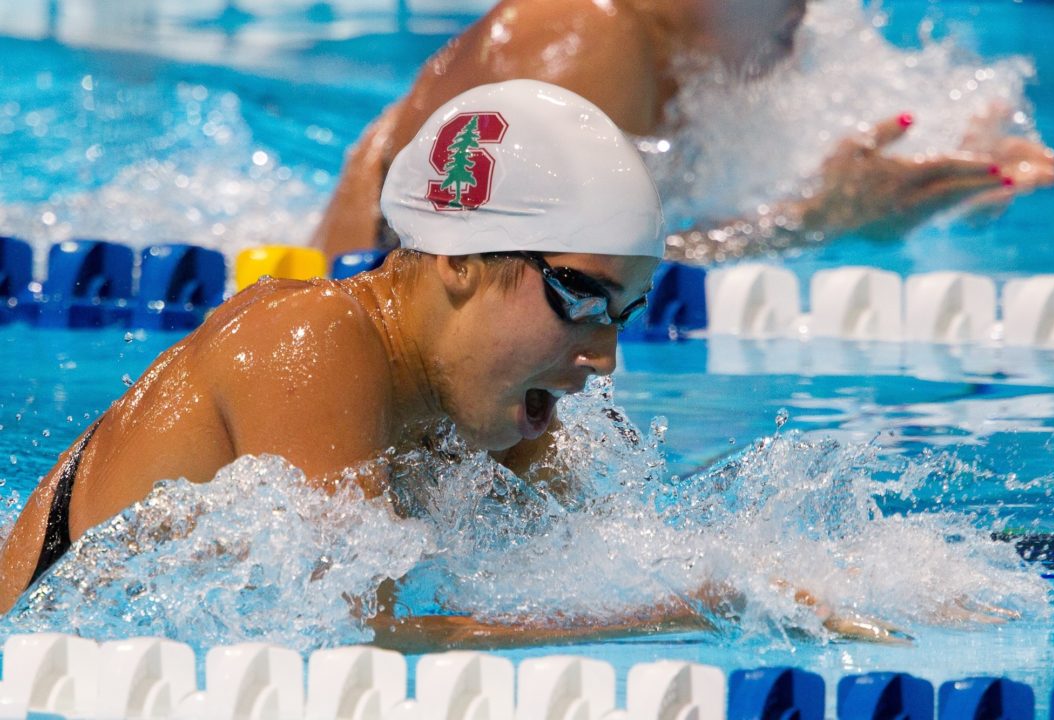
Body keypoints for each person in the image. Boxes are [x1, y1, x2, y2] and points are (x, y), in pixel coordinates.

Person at [0, 81, 982, 647]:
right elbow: (357, 639)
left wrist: (844, 577)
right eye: (582, 299)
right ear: (464, 264)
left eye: (627, 314)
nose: (602, 355)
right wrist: (693, 615)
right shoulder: (312, 347)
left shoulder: (479, 410)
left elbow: (615, 552)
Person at [312, 0, 1054, 264]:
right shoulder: (586, 41)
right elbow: (537, 301)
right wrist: (815, 226)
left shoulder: (689, 58)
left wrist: (951, 173)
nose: (809, 9)